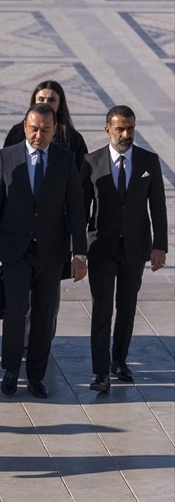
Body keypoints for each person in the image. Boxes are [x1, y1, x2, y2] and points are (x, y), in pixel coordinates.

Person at [0, 102, 87, 399]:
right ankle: (11, 370)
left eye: (45, 130)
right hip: (15, 250)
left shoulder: (65, 161)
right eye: (33, 128)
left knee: (43, 315)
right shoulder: (7, 157)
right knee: (15, 310)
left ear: (55, 131)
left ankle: (36, 376)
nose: (38, 135)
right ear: (24, 126)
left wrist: (79, 253)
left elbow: (76, 210)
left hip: (51, 252)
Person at [82, 105, 167, 392]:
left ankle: (120, 361)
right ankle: (100, 372)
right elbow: (81, 209)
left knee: (127, 308)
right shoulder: (91, 162)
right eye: (120, 128)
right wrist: (77, 250)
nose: (126, 133)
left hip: (135, 249)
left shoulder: (148, 161)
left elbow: (157, 206)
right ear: (107, 129)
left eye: (130, 127)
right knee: (102, 309)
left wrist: (160, 247)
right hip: (101, 250)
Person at [3, 80, 88, 164]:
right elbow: (6, 163)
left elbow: (82, 172)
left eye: (52, 100)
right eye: (41, 99)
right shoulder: (17, 132)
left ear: (60, 104)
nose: (46, 103)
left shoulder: (72, 138)